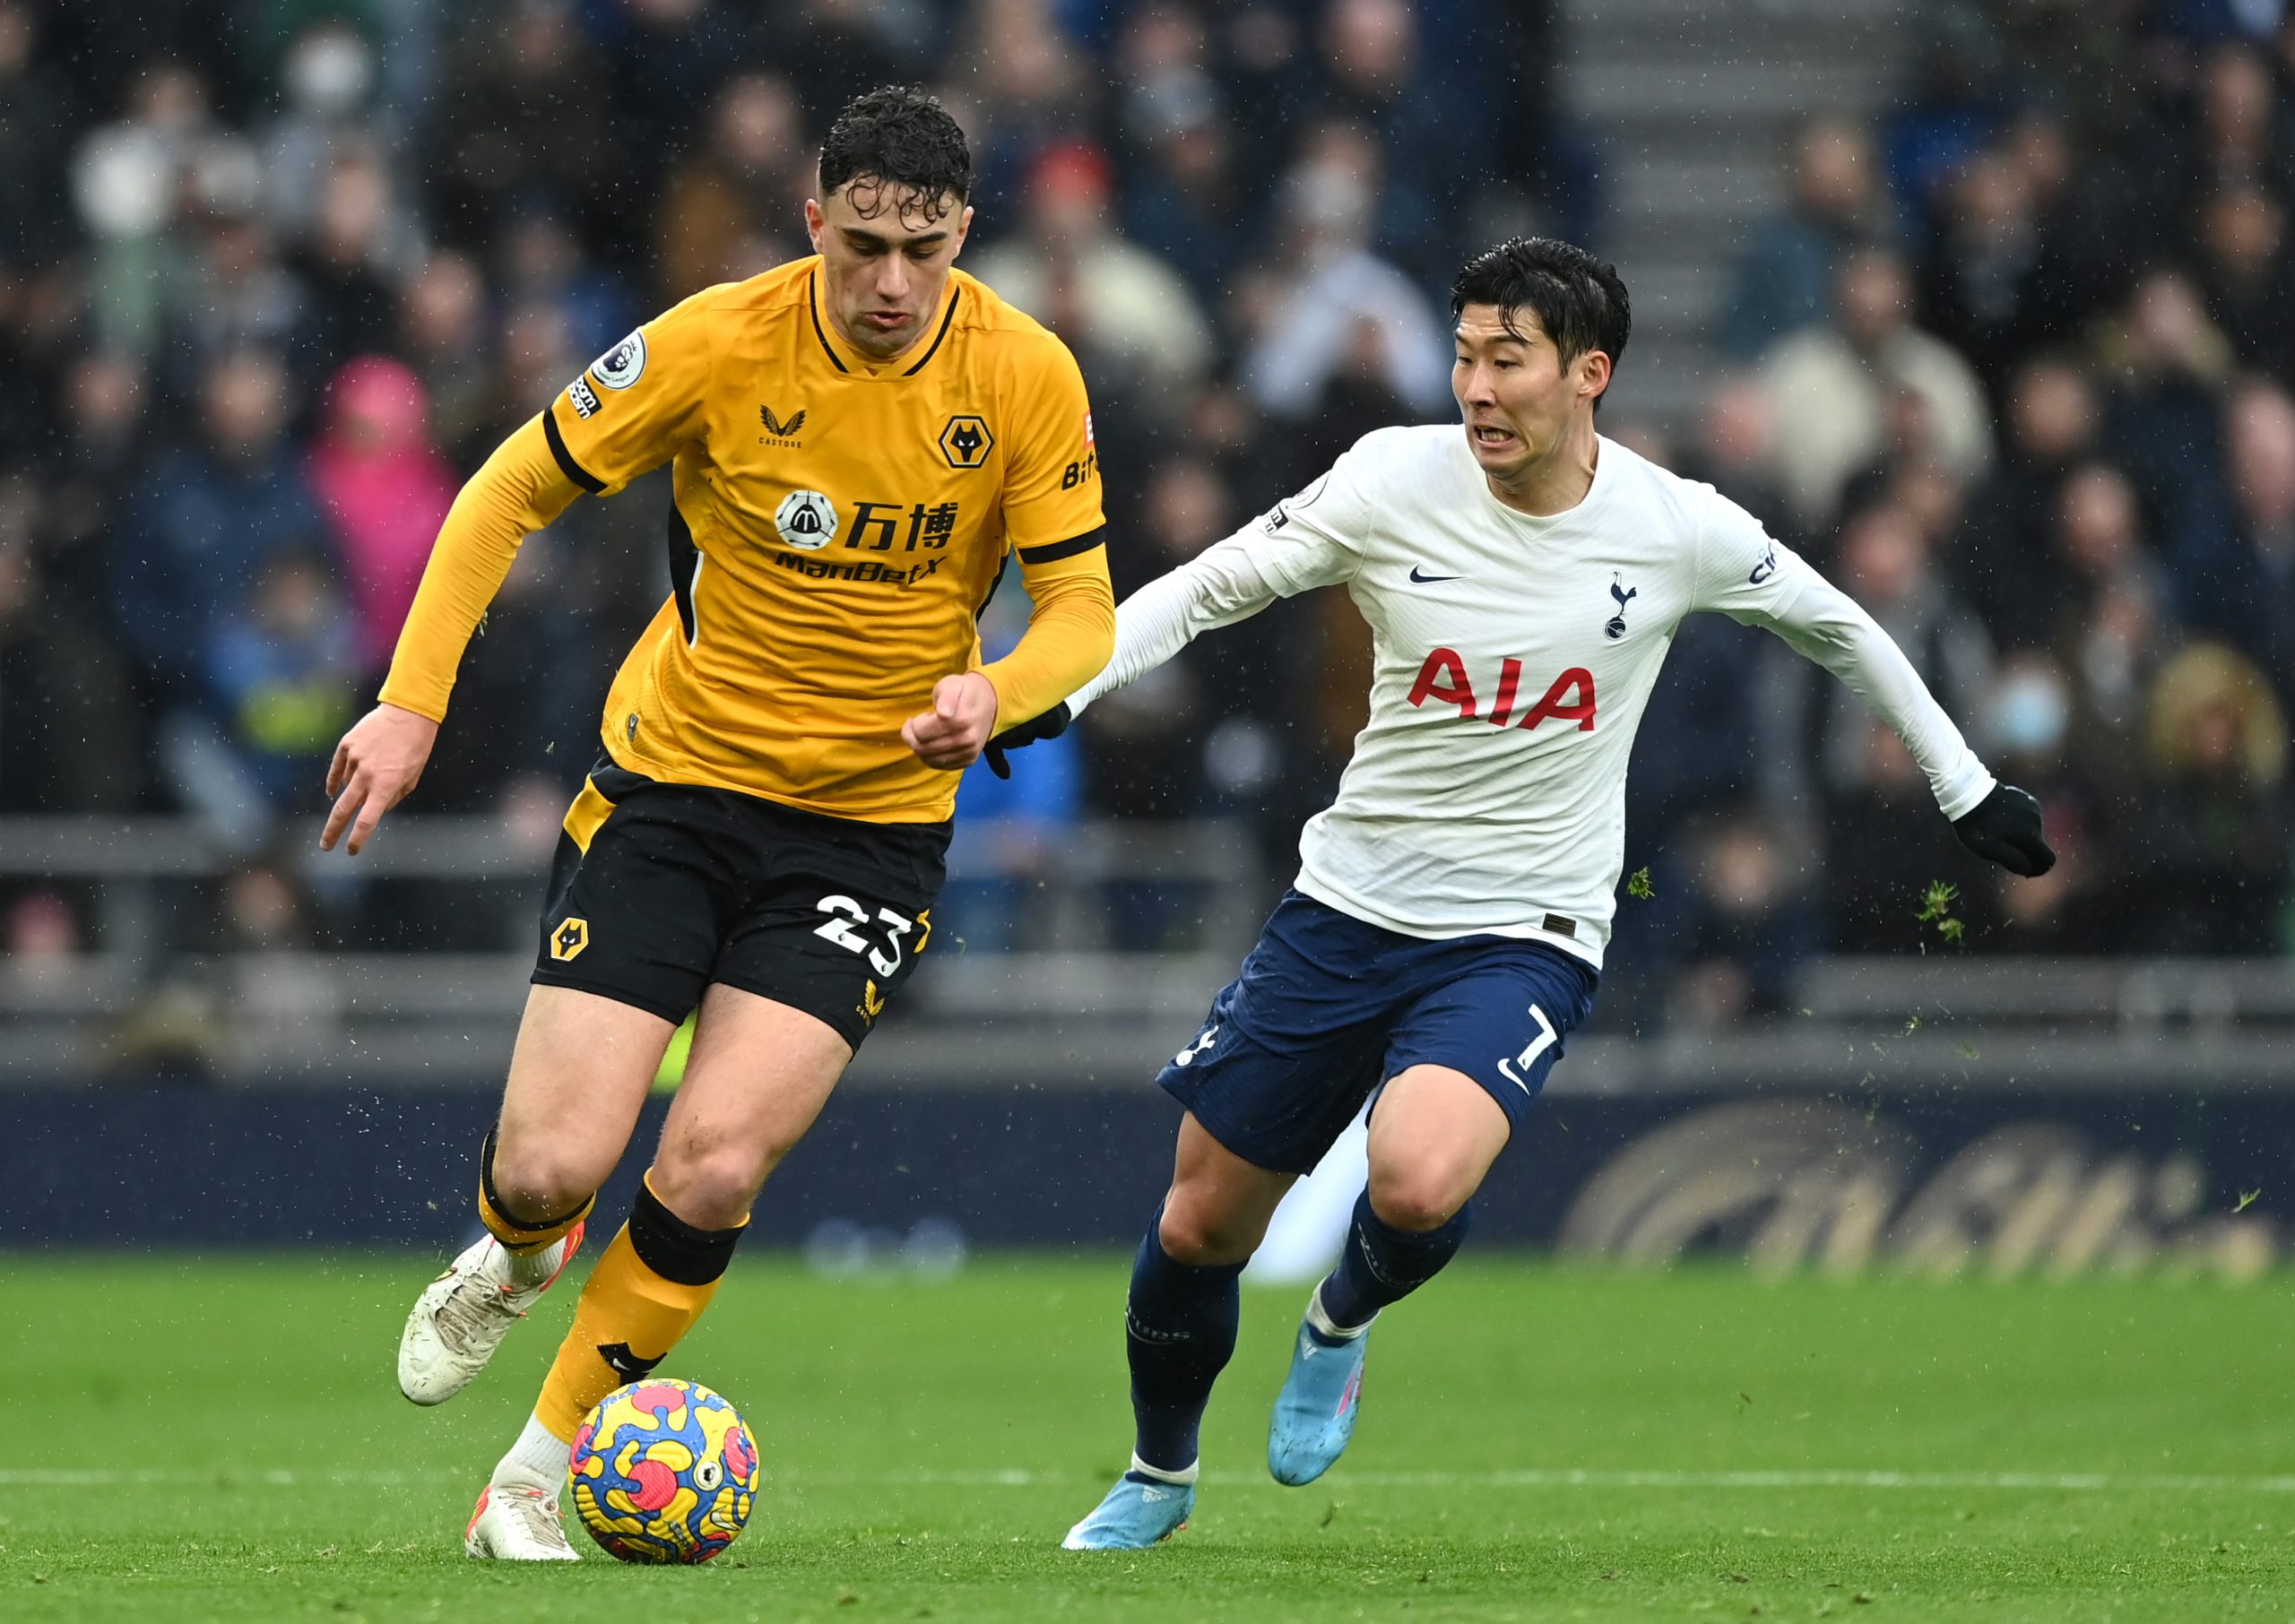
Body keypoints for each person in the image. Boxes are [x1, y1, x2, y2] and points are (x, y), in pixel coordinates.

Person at [990, 237, 2053, 1549]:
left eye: (1509, 360)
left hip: (1521, 931)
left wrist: (1964, 787)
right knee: (1201, 1215)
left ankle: (1339, 1321)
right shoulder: (1391, 478)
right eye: (1463, 357)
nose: (1476, 388)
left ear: (1587, 374)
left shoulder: (1675, 526)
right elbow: (1206, 590)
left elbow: (1843, 624)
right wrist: (1062, 686)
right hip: (1345, 908)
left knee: (1421, 1178)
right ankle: (1159, 1472)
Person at [320, 87, 1113, 1560]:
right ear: (814, 218)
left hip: (869, 829)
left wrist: (995, 695)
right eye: (864, 243)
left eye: (923, 252)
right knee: (554, 1166)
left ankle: (532, 1479)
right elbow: (504, 490)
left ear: (964, 237)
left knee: (714, 1164)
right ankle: (522, 1244)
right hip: (674, 790)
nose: (890, 283)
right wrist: (411, 703)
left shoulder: (1025, 375)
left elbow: (1081, 612)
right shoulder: (715, 342)